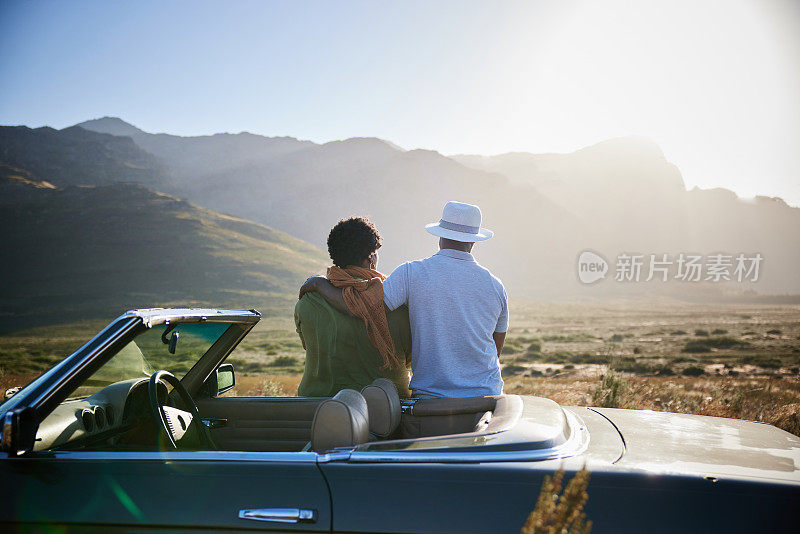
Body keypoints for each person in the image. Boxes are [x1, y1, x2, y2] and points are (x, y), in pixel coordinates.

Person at [301, 201, 508, 398]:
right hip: (487, 393)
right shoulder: (497, 286)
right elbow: (495, 349)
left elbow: (363, 306)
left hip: (432, 398)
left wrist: (319, 284)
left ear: (439, 236)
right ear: (473, 240)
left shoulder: (412, 274)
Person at [295, 216, 412, 397]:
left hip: (318, 411)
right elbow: (413, 361)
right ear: (371, 256)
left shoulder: (308, 299)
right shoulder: (396, 303)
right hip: (389, 414)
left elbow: (308, 347)